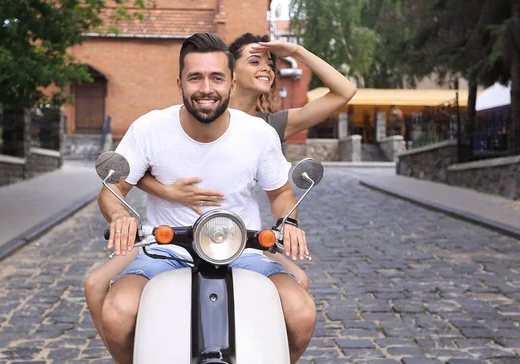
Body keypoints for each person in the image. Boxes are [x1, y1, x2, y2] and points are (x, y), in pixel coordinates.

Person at [85, 32, 356, 362]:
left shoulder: (258, 133)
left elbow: (281, 191)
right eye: (194, 78)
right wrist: (120, 216)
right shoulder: (150, 128)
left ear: (231, 85)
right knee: (117, 313)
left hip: (243, 249)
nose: (206, 89)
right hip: (166, 248)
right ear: (180, 83)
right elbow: (113, 189)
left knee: (301, 314)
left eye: (216, 78)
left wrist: (288, 223)